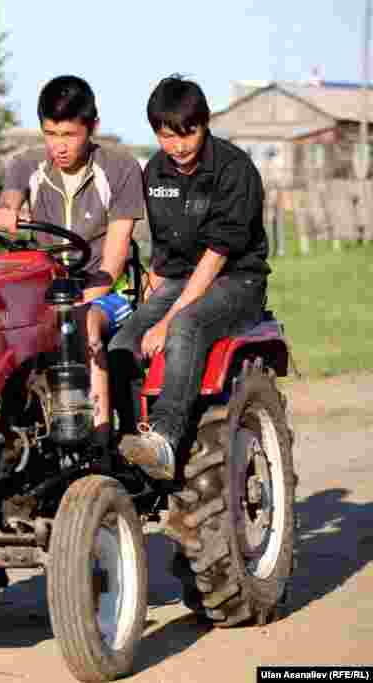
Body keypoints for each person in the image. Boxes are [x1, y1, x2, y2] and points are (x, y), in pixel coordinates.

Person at [111, 75, 271, 479]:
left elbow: (217, 256)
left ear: (205, 123)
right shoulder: (156, 173)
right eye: (167, 136)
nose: (178, 146)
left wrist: (164, 321)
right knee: (121, 343)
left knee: (184, 326)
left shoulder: (235, 170)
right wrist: (147, 307)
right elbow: (165, 255)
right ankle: (122, 441)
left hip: (236, 281)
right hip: (184, 280)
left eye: (189, 133)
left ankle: (164, 440)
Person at [0, 75, 144, 447]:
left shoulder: (120, 169)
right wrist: (5, 214)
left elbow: (116, 251)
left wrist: (84, 298)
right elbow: (7, 203)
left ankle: (99, 440)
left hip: (108, 291)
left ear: (92, 127)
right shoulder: (26, 165)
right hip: (46, 288)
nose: (58, 146)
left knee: (81, 323)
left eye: (69, 135)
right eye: (50, 134)